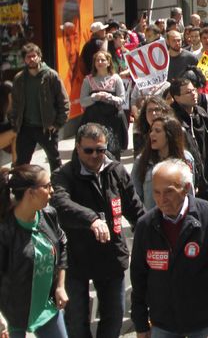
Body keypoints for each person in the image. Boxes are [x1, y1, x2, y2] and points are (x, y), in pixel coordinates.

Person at [50, 123, 144, 338]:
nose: (95, 156)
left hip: (111, 256)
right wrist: (91, 219)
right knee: (76, 320)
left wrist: (153, 232)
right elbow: (60, 203)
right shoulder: (63, 175)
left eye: (100, 150)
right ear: (77, 147)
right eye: (89, 150)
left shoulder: (117, 171)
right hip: (76, 258)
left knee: (114, 316)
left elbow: (135, 208)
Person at [130, 159, 208, 338]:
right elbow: (138, 278)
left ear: (186, 188)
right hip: (163, 325)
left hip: (207, 324)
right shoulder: (145, 225)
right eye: (156, 192)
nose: (161, 199)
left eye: (168, 192)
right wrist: (141, 324)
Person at [0, 165, 68, 338]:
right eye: (46, 186)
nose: (52, 191)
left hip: (47, 308)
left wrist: (60, 286)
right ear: (30, 192)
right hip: (14, 317)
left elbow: (62, 244)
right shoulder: (5, 232)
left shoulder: (48, 215)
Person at [10, 44, 69, 170]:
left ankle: (58, 187)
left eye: (34, 56)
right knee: (22, 163)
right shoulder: (19, 78)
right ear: (24, 59)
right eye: (28, 57)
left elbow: (63, 101)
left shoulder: (51, 76)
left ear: (39, 57)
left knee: (54, 161)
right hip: (25, 128)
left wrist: (57, 124)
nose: (31, 59)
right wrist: (15, 122)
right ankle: (22, 189)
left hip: (46, 128)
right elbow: (15, 103)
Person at [170, 77, 208, 203]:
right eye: (188, 92)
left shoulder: (202, 114)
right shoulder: (172, 121)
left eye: (194, 90)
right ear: (177, 98)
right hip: (188, 183)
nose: (193, 94)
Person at [133, 116, 195, 211]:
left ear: (170, 135)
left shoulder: (186, 158)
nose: (152, 135)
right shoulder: (142, 160)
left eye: (157, 131)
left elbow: (189, 192)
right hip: (153, 221)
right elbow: (135, 195)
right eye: (151, 131)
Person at [78, 50, 127, 157]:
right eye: (97, 60)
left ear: (109, 62)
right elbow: (83, 101)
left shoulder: (116, 78)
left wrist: (110, 97)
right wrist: (94, 98)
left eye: (103, 60)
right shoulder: (88, 80)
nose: (100, 62)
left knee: (112, 150)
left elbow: (122, 99)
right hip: (93, 119)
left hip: (112, 119)